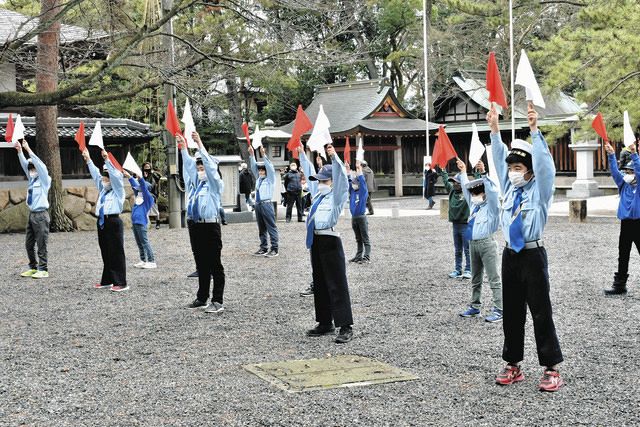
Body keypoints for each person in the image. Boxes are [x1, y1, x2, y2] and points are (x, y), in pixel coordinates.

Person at [488, 102, 564, 392]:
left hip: (533, 254)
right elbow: (497, 160)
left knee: (541, 311)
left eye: (518, 168)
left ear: (530, 172)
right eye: (511, 168)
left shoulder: (540, 190)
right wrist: (495, 128)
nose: (513, 173)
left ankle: (551, 367)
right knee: (512, 312)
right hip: (510, 255)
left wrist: (534, 130)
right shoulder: (509, 188)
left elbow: (546, 166)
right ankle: (513, 364)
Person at [298, 144, 354, 344]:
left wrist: (335, 158)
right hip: (316, 240)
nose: (320, 183)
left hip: (330, 239)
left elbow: (342, 181)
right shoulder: (318, 196)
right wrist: (302, 155)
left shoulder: (336, 196)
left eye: (324, 180)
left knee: (337, 283)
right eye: (319, 180)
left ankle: (345, 325)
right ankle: (325, 321)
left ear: (331, 182)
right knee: (320, 283)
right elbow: (309, 172)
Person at [179, 133, 226, 313]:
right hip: (195, 225)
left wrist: (199, 144)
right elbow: (188, 168)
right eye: (198, 167)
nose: (200, 170)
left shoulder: (215, 185)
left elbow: (211, 169)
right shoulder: (195, 186)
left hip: (210, 226)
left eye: (203, 167)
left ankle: (218, 300)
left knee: (215, 263)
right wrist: (183, 148)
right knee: (201, 263)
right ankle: (202, 297)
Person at [456, 159, 502, 322]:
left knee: (493, 278)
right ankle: (475, 307)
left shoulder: (492, 209)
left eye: (478, 193)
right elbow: (465, 188)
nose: (475, 195)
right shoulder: (474, 207)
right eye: (474, 193)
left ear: (485, 194)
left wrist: (483, 174)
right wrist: (462, 172)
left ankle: (499, 309)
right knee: (476, 278)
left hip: (487, 244)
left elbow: (494, 193)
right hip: (473, 244)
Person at [83, 148, 128, 292]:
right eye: (104, 177)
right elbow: (96, 174)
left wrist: (107, 161)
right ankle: (108, 279)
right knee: (106, 251)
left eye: (107, 177)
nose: (104, 180)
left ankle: (121, 282)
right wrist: (88, 159)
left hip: (113, 221)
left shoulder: (118, 191)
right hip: (102, 222)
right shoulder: (103, 190)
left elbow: (116, 178)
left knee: (116, 252)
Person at [603, 141, 640, 295]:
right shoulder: (623, 185)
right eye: (626, 171)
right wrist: (611, 155)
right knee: (623, 254)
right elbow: (614, 172)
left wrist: (634, 154)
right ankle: (619, 285)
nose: (627, 174)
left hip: (639, 223)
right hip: (625, 223)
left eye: (630, 172)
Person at [15, 139, 51, 279]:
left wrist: (28, 149)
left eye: (33, 168)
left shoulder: (44, 180)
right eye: (30, 169)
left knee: (41, 244)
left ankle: (43, 268)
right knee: (29, 244)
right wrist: (19, 152)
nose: (31, 170)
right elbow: (25, 165)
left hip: (41, 215)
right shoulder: (32, 180)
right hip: (32, 215)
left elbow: (41, 166)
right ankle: (33, 267)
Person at [439, 166, 472, 279]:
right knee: (457, 249)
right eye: (453, 182)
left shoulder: (468, 193)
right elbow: (445, 181)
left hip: (466, 225)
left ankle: (468, 270)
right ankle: (457, 269)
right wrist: (443, 171)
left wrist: (478, 173)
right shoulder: (452, 191)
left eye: (457, 182)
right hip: (455, 225)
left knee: (467, 249)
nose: (454, 184)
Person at [248, 145, 279, 257]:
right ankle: (263, 247)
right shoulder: (258, 179)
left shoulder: (270, 179)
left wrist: (264, 155)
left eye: (263, 170)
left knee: (271, 226)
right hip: (258, 205)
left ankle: (274, 248)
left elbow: (270, 168)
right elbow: (253, 167)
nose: (261, 172)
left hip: (266, 204)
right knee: (261, 228)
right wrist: (252, 155)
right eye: (260, 170)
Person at [124, 169, 156, 269]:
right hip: (135, 222)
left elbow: (143, 187)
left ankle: (151, 261)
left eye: (141, 188)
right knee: (139, 242)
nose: (139, 189)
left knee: (145, 242)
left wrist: (141, 178)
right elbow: (135, 185)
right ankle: (143, 260)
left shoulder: (148, 198)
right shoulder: (139, 195)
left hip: (142, 223)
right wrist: (129, 176)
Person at [347, 161, 371, 264]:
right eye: (353, 183)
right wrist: (348, 170)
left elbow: (362, 181)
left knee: (365, 238)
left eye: (355, 183)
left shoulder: (363, 192)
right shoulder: (352, 191)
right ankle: (358, 256)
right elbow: (348, 182)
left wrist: (359, 169)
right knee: (358, 238)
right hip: (354, 218)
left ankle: (366, 257)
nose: (353, 185)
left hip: (361, 217)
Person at [142, 162, 161, 229]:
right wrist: (145, 177)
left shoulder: (153, 174)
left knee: (155, 209)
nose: (147, 168)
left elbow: (159, 176)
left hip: (153, 194)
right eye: (145, 167)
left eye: (148, 167)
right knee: (145, 209)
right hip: (145, 194)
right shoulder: (143, 175)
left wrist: (152, 172)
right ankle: (146, 224)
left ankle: (158, 222)